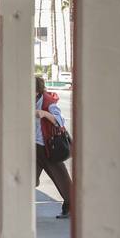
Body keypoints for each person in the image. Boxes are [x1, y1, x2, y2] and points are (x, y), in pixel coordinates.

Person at [35, 75, 72, 219]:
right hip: (34, 146)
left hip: (48, 147)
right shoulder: (30, 100)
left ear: (37, 91)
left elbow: (59, 121)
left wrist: (44, 114)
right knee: (26, 177)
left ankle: (71, 206)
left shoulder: (48, 102)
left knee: (62, 179)